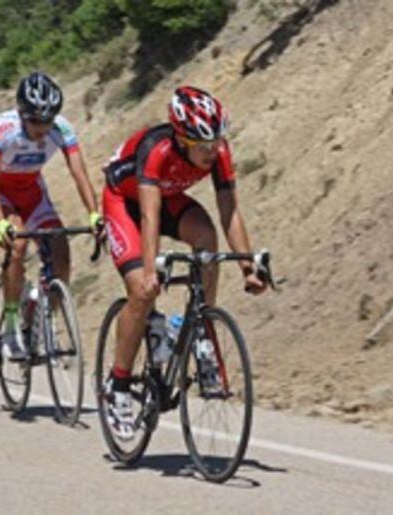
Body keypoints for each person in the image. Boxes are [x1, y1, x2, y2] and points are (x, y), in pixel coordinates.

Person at [101, 86, 268, 440]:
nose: (212, 151)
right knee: (141, 294)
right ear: (180, 137)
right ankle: (118, 386)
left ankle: (202, 330)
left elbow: (230, 211)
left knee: (206, 238)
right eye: (203, 146)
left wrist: (247, 268)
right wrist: (150, 271)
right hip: (126, 204)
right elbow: (149, 216)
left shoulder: (218, 152)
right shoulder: (155, 150)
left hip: (169, 199)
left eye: (217, 142)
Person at [0, 71, 101, 360]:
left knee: (61, 251)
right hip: (0, 193)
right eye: (35, 121)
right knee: (17, 245)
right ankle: (9, 327)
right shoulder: (1, 129)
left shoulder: (62, 129)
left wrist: (94, 214)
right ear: (21, 113)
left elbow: (79, 173)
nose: (42, 128)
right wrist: (0, 223)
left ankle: (41, 320)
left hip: (32, 191)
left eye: (48, 120)